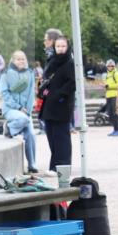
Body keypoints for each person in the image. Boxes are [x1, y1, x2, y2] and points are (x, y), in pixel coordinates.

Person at [39, 36, 76, 171]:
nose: (60, 49)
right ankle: (54, 166)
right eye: (58, 46)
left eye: (63, 46)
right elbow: (46, 80)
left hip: (62, 106)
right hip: (49, 105)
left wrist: (59, 95)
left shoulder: (71, 63)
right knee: (52, 138)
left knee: (62, 139)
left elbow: (72, 83)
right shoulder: (52, 61)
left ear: (67, 47)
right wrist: (44, 91)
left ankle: (63, 167)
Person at [0, 51, 38, 174]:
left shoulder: (30, 73)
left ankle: (32, 164)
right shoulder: (5, 74)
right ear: (13, 60)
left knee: (31, 134)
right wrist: (18, 107)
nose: (21, 61)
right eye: (18, 59)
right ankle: (9, 127)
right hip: (11, 109)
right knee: (23, 120)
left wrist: (28, 109)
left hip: (26, 111)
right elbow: (5, 94)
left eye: (23, 59)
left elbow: (32, 93)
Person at [104, 59, 118, 136]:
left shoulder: (116, 74)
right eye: (108, 65)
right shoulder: (107, 75)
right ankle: (115, 129)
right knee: (110, 114)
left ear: (114, 66)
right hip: (108, 96)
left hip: (115, 96)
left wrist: (109, 86)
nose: (110, 67)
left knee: (116, 113)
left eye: (112, 65)